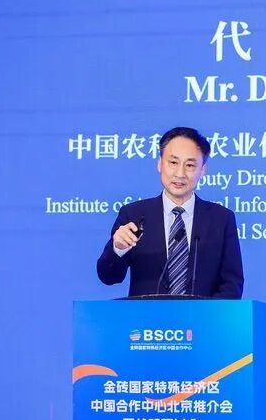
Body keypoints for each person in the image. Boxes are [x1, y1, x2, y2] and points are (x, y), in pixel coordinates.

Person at [97, 126, 243, 298]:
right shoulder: (133, 215)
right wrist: (118, 248)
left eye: (190, 165)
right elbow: (108, 276)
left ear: (202, 170)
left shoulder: (221, 219)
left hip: (203, 316)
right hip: (146, 315)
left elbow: (231, 285)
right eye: (173, 163)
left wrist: (208, 315)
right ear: (160, 164)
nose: (180, 174)